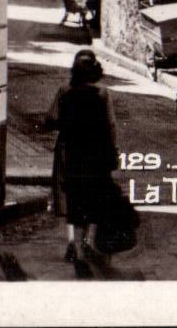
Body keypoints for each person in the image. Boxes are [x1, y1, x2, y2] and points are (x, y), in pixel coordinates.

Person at [43, 49, 137, 265]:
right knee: (88, 194)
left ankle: (71, 242)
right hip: (93, 150)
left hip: (69, 149)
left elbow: (50, 118)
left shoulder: (65, 91)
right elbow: (111, 125)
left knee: (70, 194)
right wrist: (112, 151)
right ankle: (84, 240)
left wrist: (64, 123)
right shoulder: (102, 94)